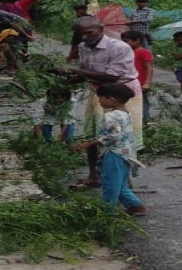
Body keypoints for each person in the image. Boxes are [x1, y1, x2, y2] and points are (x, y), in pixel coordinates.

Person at [64, 16, 145, 187]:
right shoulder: (83, 47)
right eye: (81, 34)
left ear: (101, 28)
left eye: (89, 32)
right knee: (94, 132)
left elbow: (112, 75)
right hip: (99, 93)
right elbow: (87, 72)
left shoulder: (119, 47)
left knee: (123, 136)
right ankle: (94, 175)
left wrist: (77, 71)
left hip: (123, 93)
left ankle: (124, 180)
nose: (85, 37)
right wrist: (67, 79)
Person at [74, 81, 146, 216]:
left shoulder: (111, 116)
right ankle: (135, 206)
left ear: (111, 99)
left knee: (110, 184)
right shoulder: (126, 113)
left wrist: (89, 143)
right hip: (126, 154)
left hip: (114, 154)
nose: (99, 101)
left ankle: (108, 212)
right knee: (121, 184)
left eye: (101, 98)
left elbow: (113, 135)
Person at [122, 31, 154, 123]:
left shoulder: (143, 52)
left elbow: (149, 68)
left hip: (141, 82)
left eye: (126, 41)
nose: (124, 44)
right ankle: (134, 120)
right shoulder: (129, 52)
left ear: (137, 41)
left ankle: (145, 121)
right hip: (130, 82)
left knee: (142, 102)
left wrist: (147, 82)